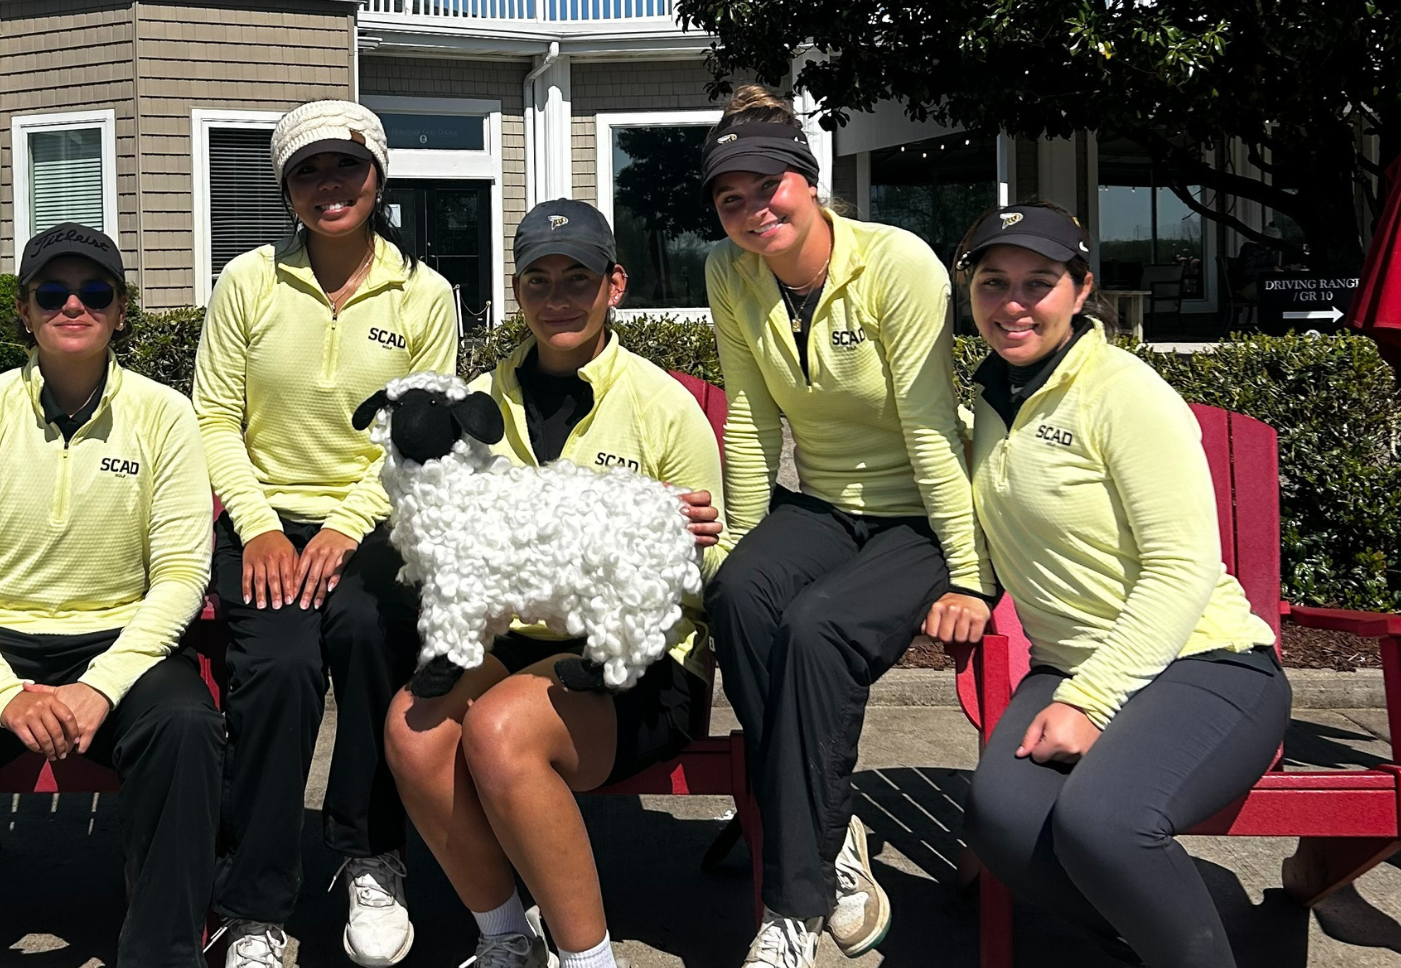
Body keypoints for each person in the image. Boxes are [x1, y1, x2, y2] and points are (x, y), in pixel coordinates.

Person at [0, 223, 222, 967]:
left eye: (95, 291)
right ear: (23, 311)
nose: (73, 305)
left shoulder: (166, 415)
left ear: (122, 310)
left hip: (119, 640)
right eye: (51, 292)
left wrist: (101, 687)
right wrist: (5, 693)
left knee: (186, 727)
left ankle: (163, 954)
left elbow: (183, 574)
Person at [382, 200, 728, 968]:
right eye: (538, 280)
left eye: (578, 279)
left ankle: (588, 959)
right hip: (518, 636)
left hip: (641, 658)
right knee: (414, 730)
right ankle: (507, 938)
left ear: (616, 286)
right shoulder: (475, 402)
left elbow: (716, 561)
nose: (557, 298)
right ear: (516, 291)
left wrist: (667, 536)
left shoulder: (664, 404)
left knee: (501, 731)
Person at [698, 86, 995, 966]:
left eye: (768, 187)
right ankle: (830, 822)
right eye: (730, 198)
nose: (754, 212)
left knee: (816, 628)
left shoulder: (897, 263)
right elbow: (751, 421)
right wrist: (734, 546)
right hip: (824, 503)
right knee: (744, 596)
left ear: (808, 179)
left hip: (923, 516)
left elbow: (933, 428)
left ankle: (796, 899)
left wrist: (970, 572)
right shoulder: (729, 272)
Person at [955, 203, 1289, 968]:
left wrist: (1087, 700)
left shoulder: (1122, 392)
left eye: (1038, 283)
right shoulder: (990, 402)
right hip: (1068, 665)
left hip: (1206, 664)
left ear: (1081, 291)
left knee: (1104, 823)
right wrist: (965, 589)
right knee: (1001, 821)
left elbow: (1183, 567)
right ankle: (1185, 918)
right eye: (992, 282)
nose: (1011, 303)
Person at [194, 99, 459, 967]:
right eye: (307, 171)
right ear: (286, 188)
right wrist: (262, 527)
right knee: (275, 668)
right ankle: (255, 906)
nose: (328, 184)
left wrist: (346, 527)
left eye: (345, 166)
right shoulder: (248, 281)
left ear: (378, 177)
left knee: (364, 627)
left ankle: (369, 853)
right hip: (263, 519)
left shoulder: (424, 292)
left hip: (378, 516)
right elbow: (215, 420)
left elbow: (422, 434)